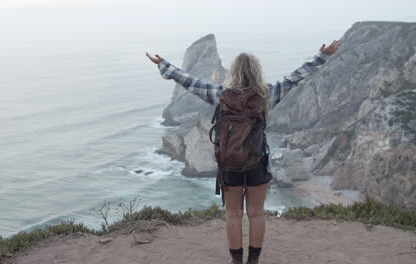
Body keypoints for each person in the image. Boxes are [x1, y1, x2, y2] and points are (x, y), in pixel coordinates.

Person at [146, 40, 340, 264]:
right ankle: (253, 260)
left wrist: (165, 66)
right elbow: (295, 77)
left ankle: (236, 261)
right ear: (257, 72)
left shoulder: (220, 95)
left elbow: (190, 82)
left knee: (233, 214)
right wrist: (321, 56)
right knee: (256, 213)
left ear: (234, 72)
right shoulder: (267, 95)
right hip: (257, 162)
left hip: (229, 165)